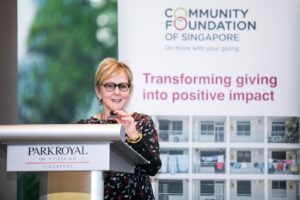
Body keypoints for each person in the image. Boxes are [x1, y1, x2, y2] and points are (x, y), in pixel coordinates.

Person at [77, 57, 161, 199]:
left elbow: (153, 168)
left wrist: (134, 135)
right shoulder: (84, 128)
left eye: (122, 86)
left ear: (130, 90)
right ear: (98, 91)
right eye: (110, 86)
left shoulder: (143, 122)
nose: (117, 92)